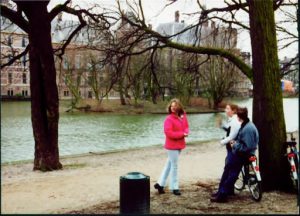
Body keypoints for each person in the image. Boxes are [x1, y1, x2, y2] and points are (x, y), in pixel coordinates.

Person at [211, 107, 259, 202]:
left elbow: (247, 147)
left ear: (238, 117)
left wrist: (234, 145)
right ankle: (222, 192)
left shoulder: (247, 128)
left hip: (243, 155)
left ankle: (222, 194)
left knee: (230, 172)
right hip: (242, 153)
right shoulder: (246, 125)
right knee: (228, 169)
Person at [154, 98, 189, 196]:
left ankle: (160, 184)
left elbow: (186, 126)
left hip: (180, 144)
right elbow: (169, 133)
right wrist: (182, 134)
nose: (173, 108)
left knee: (169, 165)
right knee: (174, 166)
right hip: (171, 146)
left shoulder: (183, 116)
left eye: (175, 106)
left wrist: (186, 132)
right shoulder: (168, 119)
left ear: (179, 107)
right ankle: (174, 187)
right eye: (172, 106)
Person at [212, 104, 241, 197]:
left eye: (227, 108)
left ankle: (222, 191)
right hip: (232, 148)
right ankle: (228, 190)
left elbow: (232, 135)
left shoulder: (235, 120)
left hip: (233, 148)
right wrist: (221, 126)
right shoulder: (233, 120)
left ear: (233, 111)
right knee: (229, 169)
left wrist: (222, 142)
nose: (225, 110)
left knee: (228, 169)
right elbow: (229, 129)